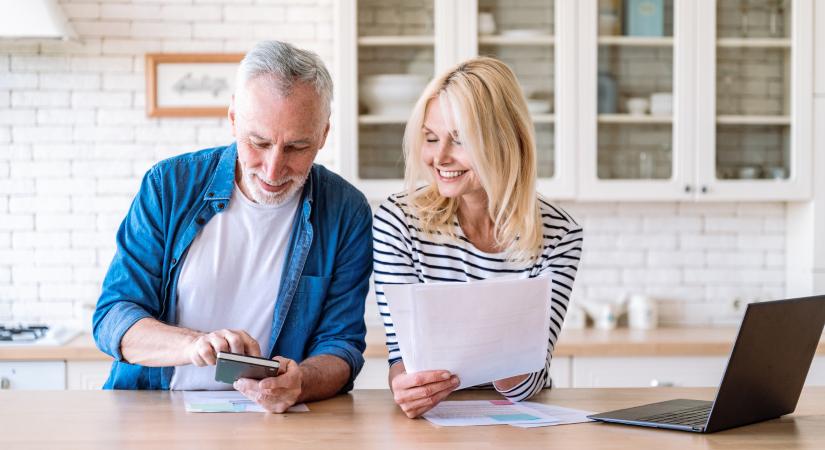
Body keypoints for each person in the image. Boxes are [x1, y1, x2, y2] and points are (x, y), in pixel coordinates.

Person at [93, 41, 373, 413]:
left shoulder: (346, 211)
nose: (273, 170)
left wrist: (300, 383)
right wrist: (193, 346)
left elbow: (341, 346)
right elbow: (113, 317)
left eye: (296, 147)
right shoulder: (168, 186)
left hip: (274, 422)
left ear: (323, 135)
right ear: (233, 119)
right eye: (258, 143)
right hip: (154, 409)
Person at [373, 57, 583, 418]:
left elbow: (527, 382)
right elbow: (403, 358)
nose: (439, 157)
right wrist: (406, 386)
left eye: (460, 140)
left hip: (519, 422)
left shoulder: (559, 234)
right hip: (433, 422)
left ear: (505, 140)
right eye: (431, 137)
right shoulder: (399, 221)